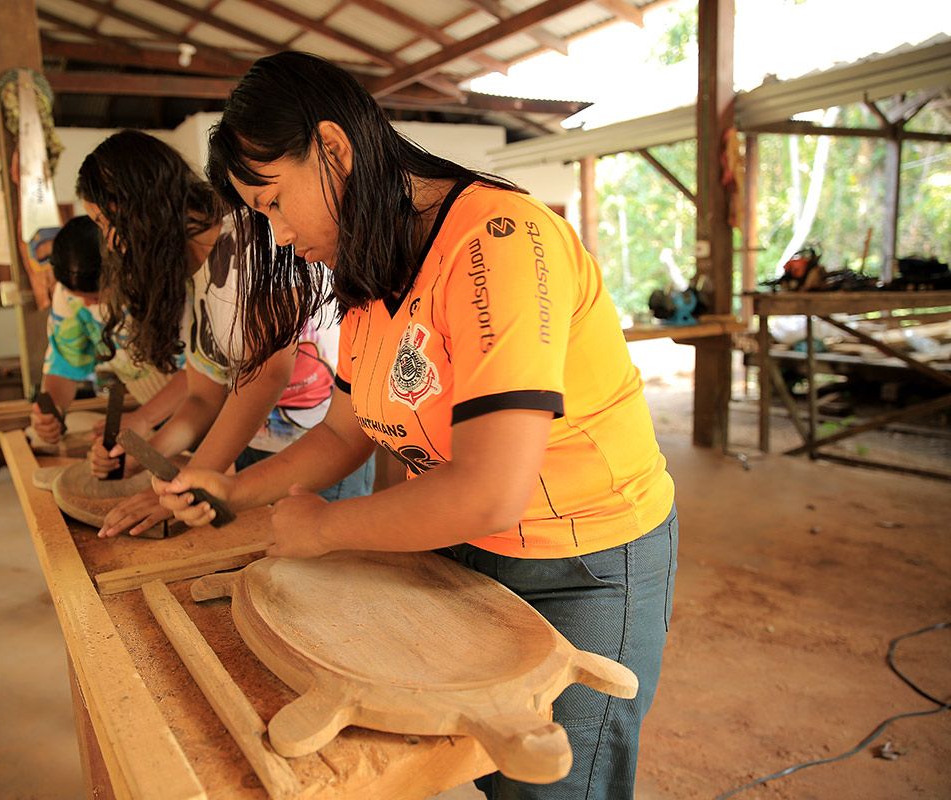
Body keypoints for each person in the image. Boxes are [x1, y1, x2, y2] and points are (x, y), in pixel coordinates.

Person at [153, 53, 678, 800]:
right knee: (483, 766)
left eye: (274, 203)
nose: (279, 233)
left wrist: (326, 529)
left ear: (334, 150)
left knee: (554, 783)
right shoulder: (373, 267)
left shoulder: (496, 240)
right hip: (463, 551)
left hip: (580, 562)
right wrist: (229, 489)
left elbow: (491, 490)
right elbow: (342, 434)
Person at [75, 130, 373, 539]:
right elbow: (203, 394)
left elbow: (267, 374)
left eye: (102, 222)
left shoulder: (255, 238)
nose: (108, 243)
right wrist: (146, 455)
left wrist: (188, 482)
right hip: (254, 452)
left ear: (131, 207)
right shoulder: (188, 272)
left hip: (318, 457)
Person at [29, 215, 186, 446]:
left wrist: (144, 418)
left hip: (208, 411)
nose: (87, 305)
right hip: (157, 416)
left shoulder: (161, 284)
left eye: (95, 297)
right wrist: (53, 411)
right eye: (79, 297)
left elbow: (202, 374)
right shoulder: (69, 294)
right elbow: (66, 364)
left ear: (119, 270)